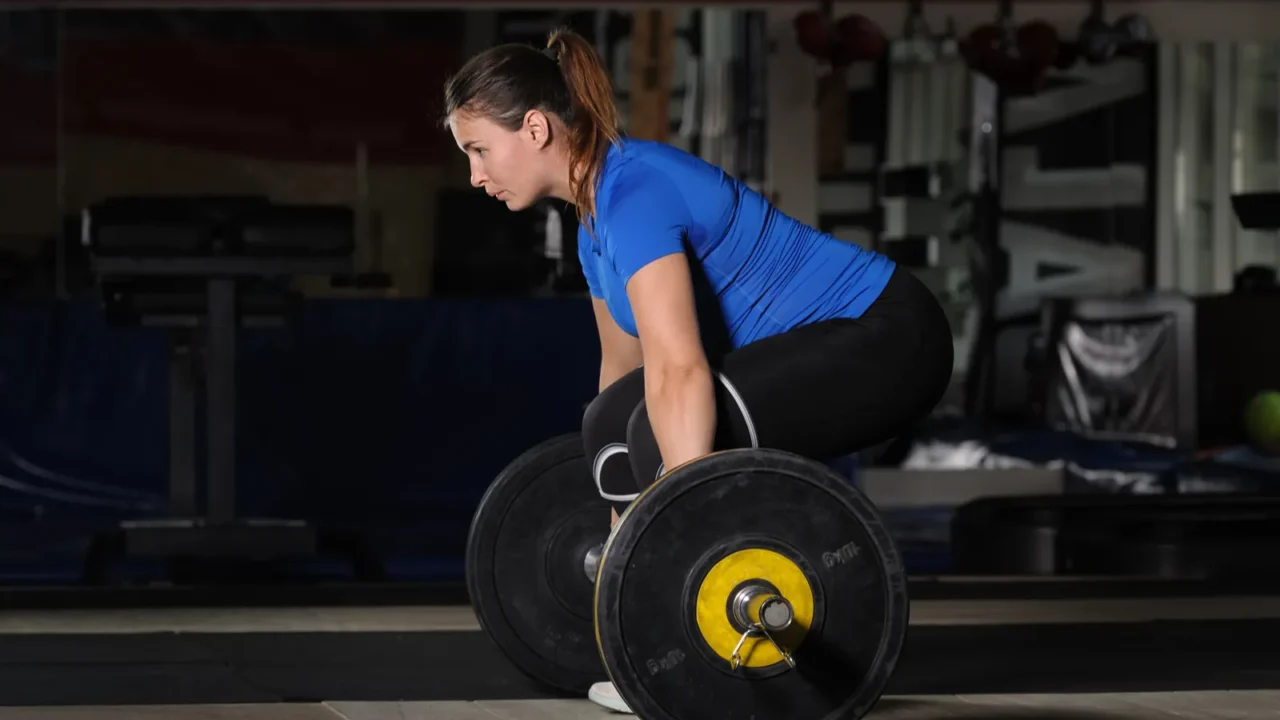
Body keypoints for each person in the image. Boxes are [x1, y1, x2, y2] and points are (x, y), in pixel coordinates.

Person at [444, 27, 953, 714]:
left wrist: (675, 532)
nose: (475, 175)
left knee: (666, 433)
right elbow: (623, 373)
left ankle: (684, 639)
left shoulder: (633, 193)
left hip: (890, 337)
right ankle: (643, 629)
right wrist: (625, 550)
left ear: (533, 128)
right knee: (614, 425)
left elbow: (680, 370)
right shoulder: (592, 220)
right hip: (842, 341)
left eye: (478, 150)